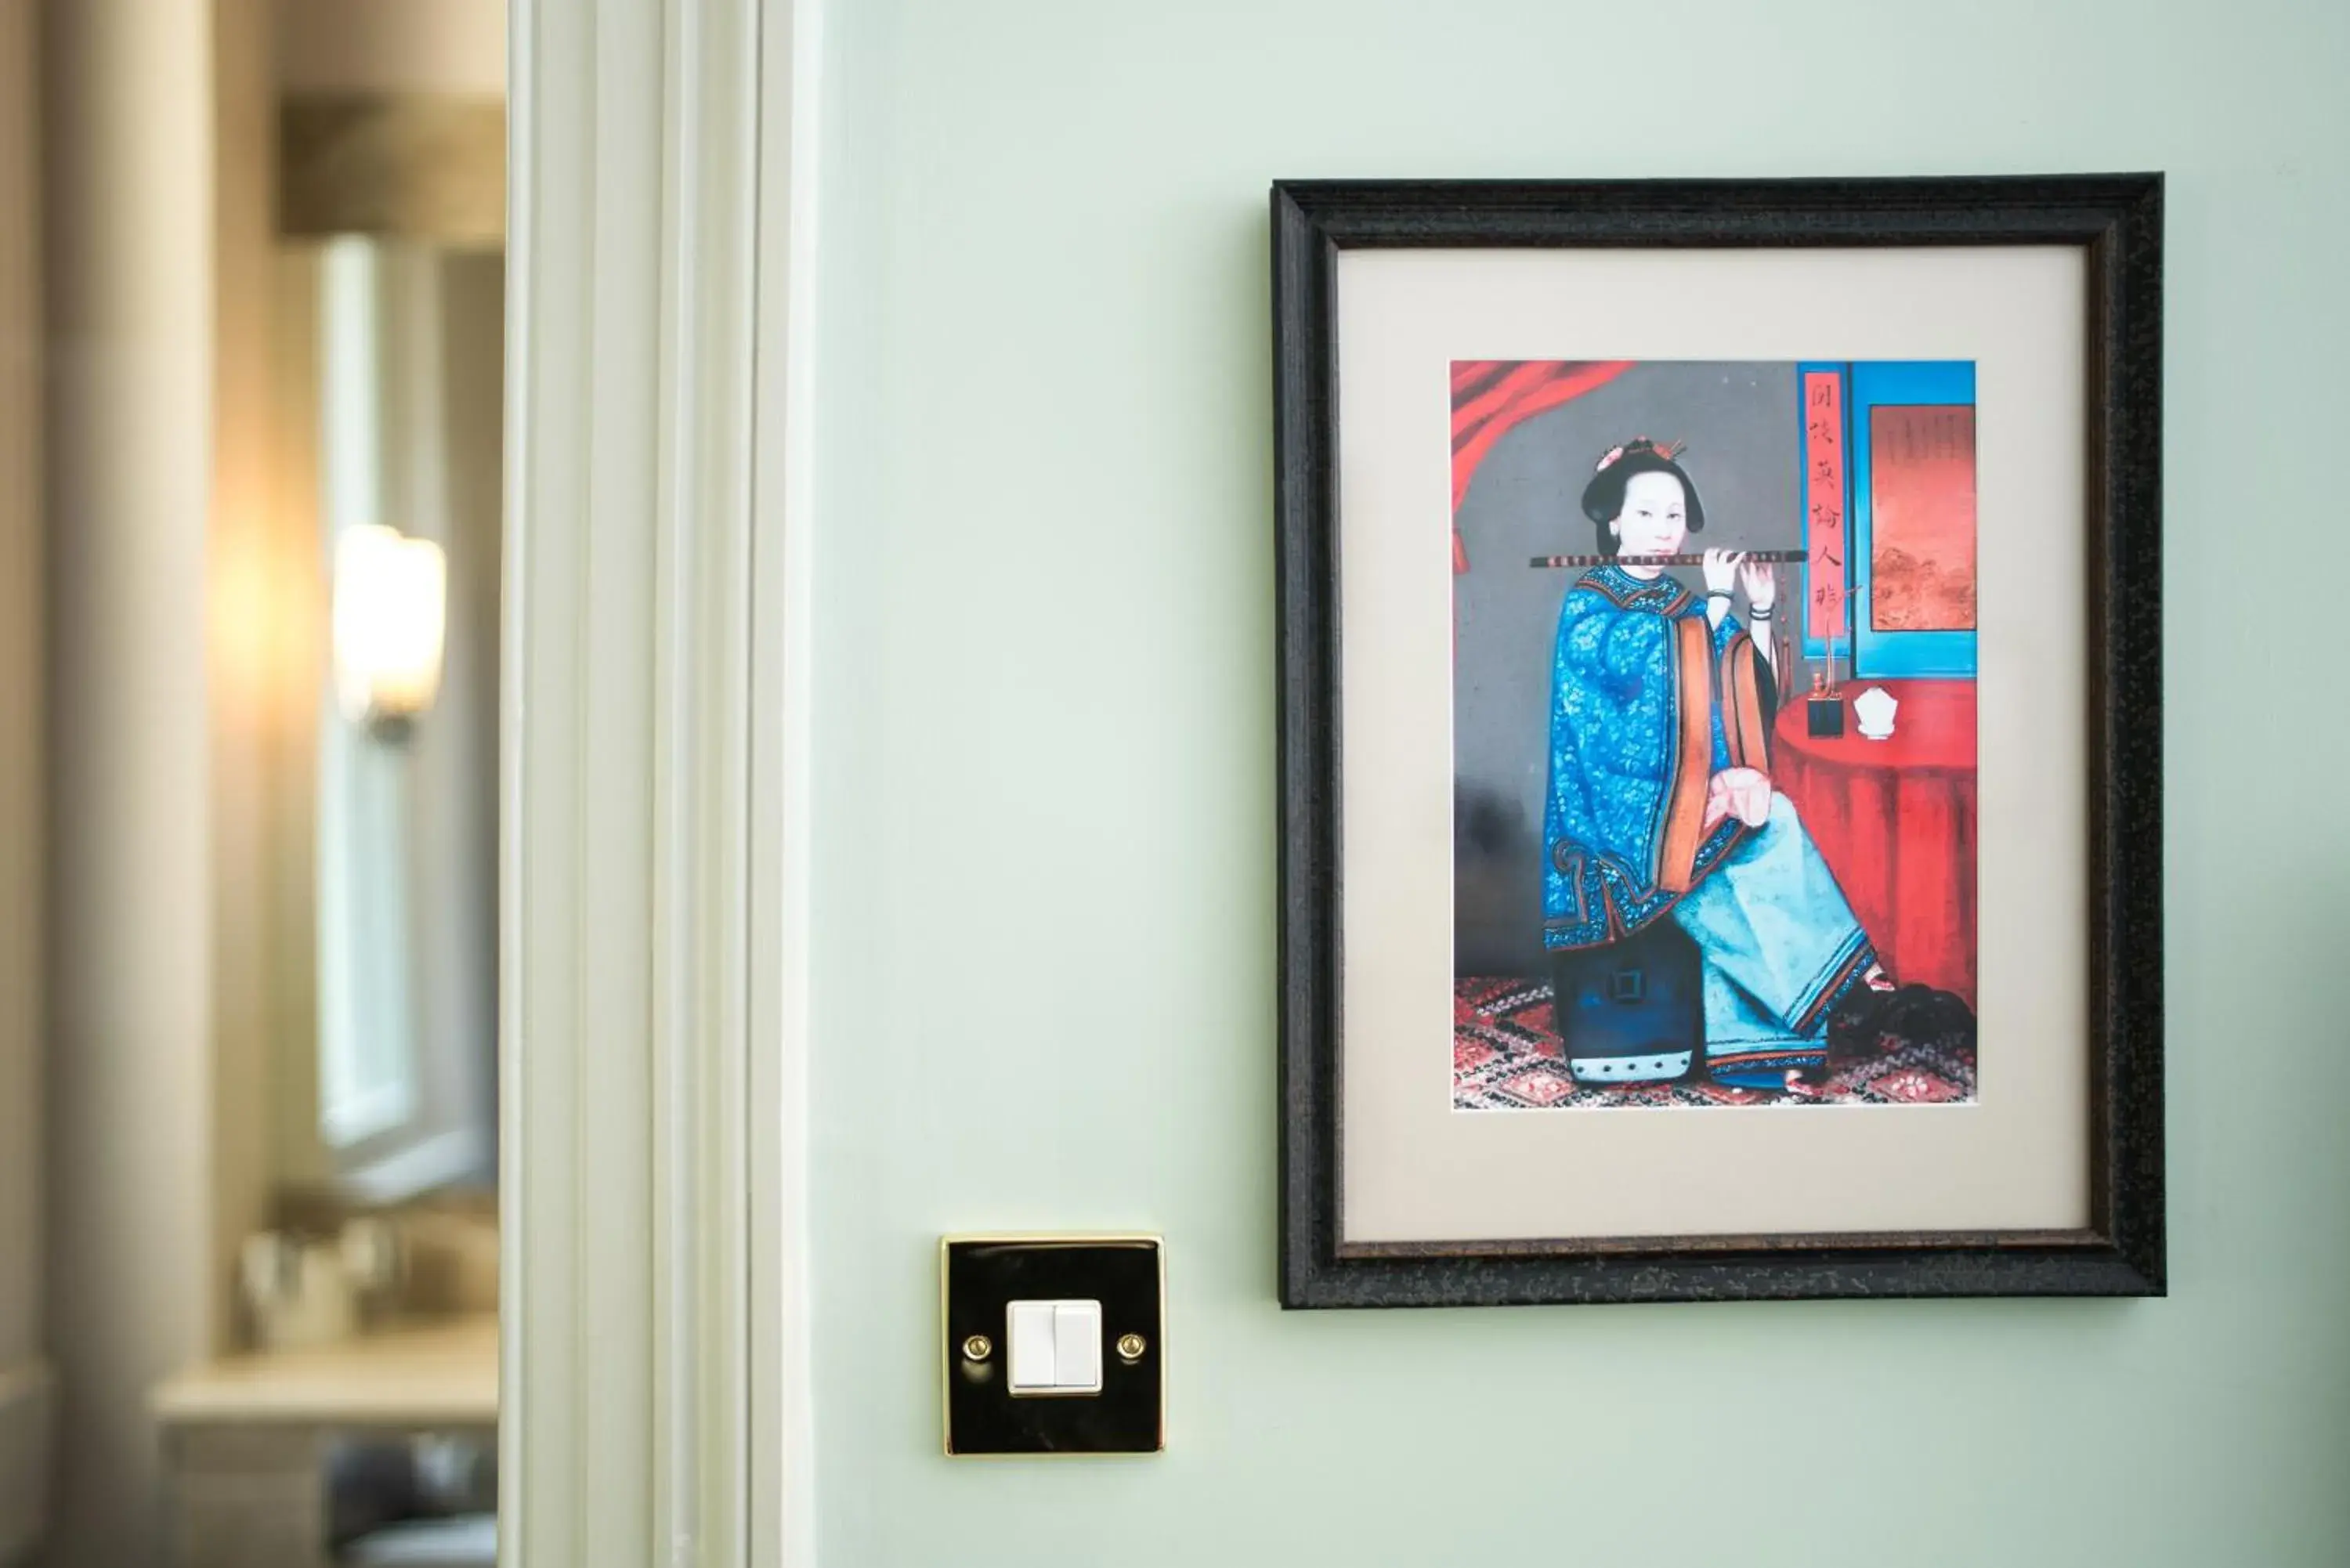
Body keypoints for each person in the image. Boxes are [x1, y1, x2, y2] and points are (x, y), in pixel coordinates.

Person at [1542, 436, 1890, 1090]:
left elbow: (1741, 684)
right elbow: (1642, 690)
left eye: (1674, 515)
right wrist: (1717, 606)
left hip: (1684, 795)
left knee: (1768, 823)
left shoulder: (1680, 600)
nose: (1663, 530)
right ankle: (1836, 987)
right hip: (1617, 818)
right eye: (1646, 514)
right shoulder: (1590, 602)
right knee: (1730, 868)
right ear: (1614, 521)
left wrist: (1753, 607)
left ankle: (1773, 1046)